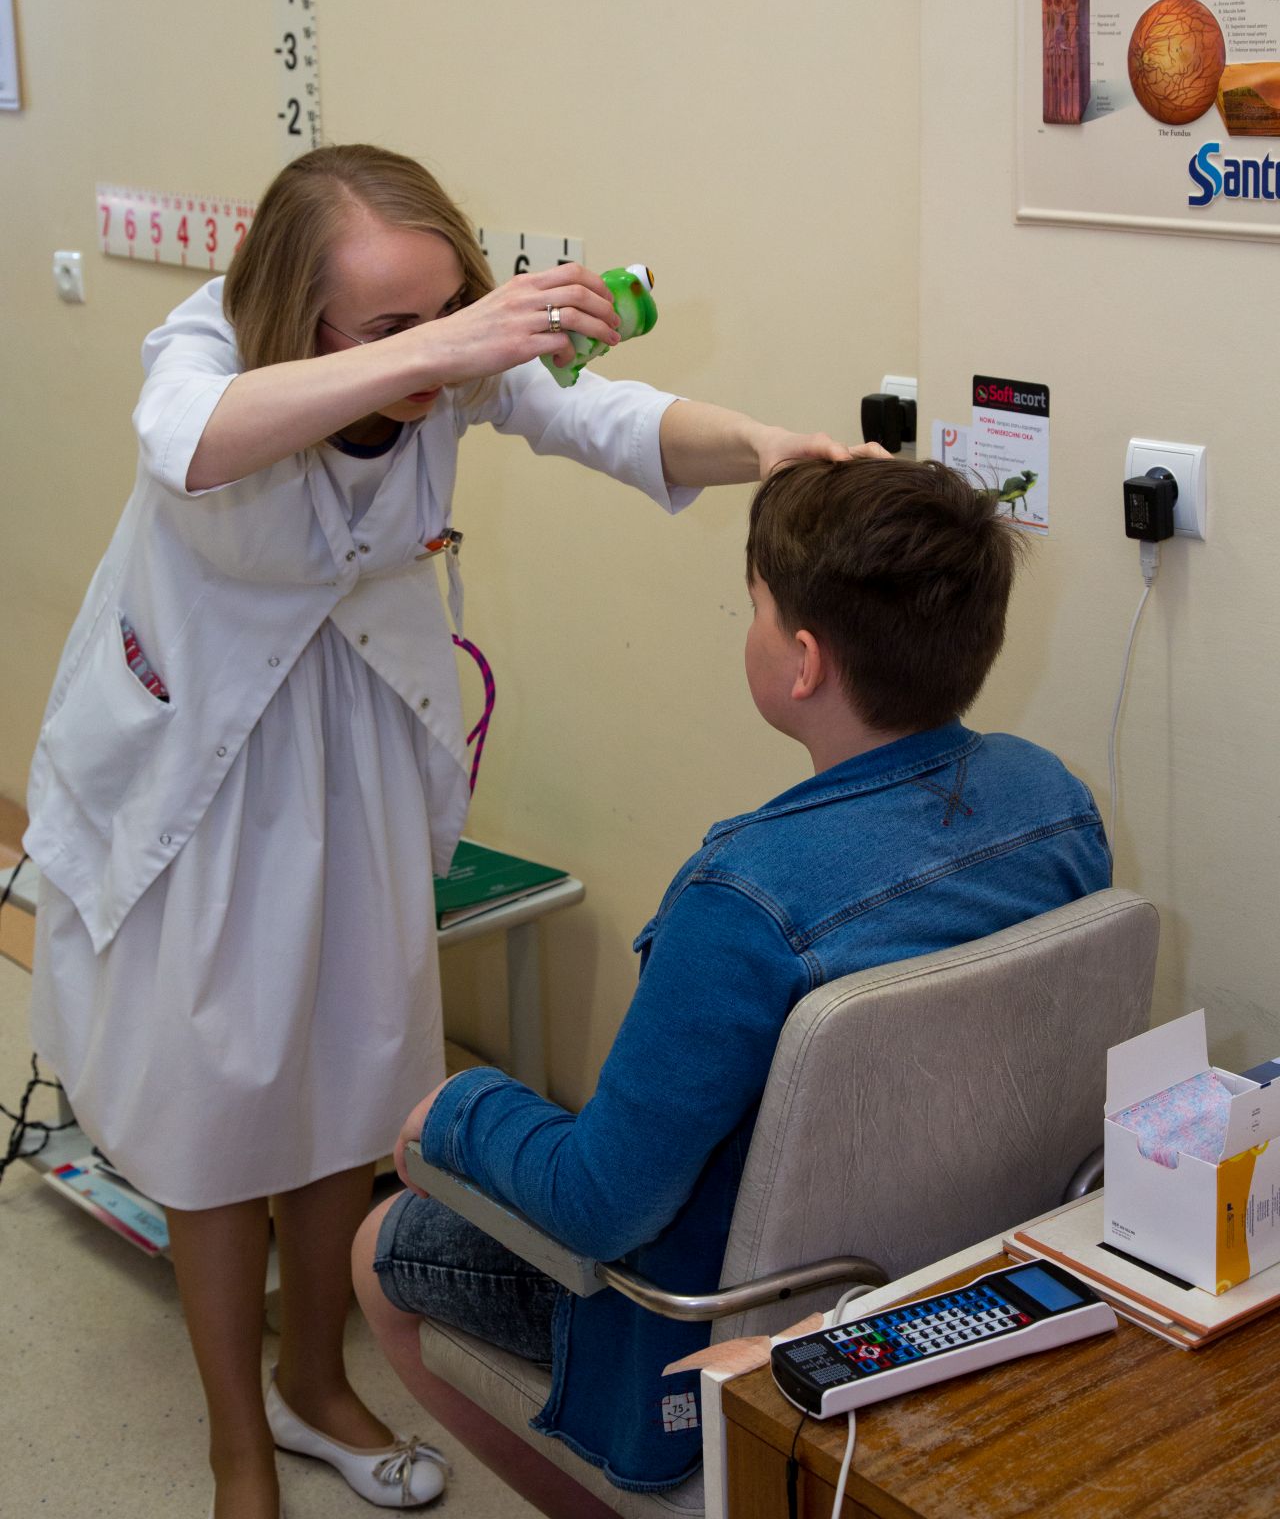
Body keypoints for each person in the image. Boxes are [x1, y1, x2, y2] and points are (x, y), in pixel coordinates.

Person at [24, 144, 867, 1519]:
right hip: (200, 767)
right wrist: (455, 343)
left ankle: (313, 1382)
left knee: (348, 1074)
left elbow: (619, 421)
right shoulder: (206, 349)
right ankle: (237, 1439)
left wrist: (766, 447)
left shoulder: (450, 362)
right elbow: (187, 438)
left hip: (351, 741)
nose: (426, 352)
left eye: (442, 311)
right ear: (299, 315)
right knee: (212, 1104)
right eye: (384, 327)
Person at [353, 456, 1113, 1496]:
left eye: (753, 605)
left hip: (723, 1324)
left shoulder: (742, 901)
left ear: (801, 661)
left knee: (382, 1243)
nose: (746, 626)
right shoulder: (1052, 798)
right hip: (961, 1272)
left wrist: (455, 1110)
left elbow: (598, 1207)